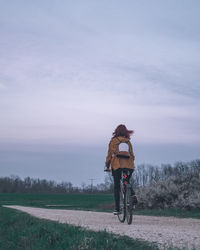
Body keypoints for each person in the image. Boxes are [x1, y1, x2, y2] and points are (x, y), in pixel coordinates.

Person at [105, 124, 135, 215]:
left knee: (117, 186)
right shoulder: (128, 142)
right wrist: (131, 163)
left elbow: (109, 156)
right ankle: (132, 194)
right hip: (129, 166)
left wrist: (107, 166)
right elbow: (132, 155)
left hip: (117, 166)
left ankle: (117, 209)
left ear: (116, 131)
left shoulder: (113, 141)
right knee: (127, 181)